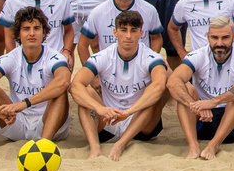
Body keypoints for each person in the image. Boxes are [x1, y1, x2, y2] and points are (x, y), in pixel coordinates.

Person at [0, 6, 71, 156]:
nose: (32, 33)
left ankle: (44, 146)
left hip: (48, 122)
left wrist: (25, 103)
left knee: (60, 92)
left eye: (36, 28)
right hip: (15, 120)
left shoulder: (54, 56)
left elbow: (63, 81)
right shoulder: (11, 57)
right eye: (26, 29)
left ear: (44, 32)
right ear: (18, 34)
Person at [71, 10, 169, 160]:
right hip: (108, 119)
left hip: (140, 122)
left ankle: (121, 144)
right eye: (123, 30)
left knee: (154, 93)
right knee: (86, 94)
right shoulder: (103, 56)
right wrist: (100, 108)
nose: (128, 36)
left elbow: (159, 86)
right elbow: (75, 85)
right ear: (115, 32)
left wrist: (129, 112)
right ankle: (95, 147)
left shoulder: (151, 57)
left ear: (141, 33)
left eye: (133, 30)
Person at [168, 15, 234, 159]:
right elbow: (173, 82)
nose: (219, 43)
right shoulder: (198, 55)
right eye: (214, 38)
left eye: (225, 38)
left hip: (231, 124)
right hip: (201, 119)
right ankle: (193, 146)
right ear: (208, 38)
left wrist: (213, 102)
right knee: (185, 89)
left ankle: (214, 145)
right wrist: (194, 105)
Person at [78, 0, 163, 63]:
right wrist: (92, 73)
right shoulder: (98, 12)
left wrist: (150, 62)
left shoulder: (149, 10)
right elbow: (82, 45)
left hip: (140, 70)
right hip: (108, 71)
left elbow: (157, 38)